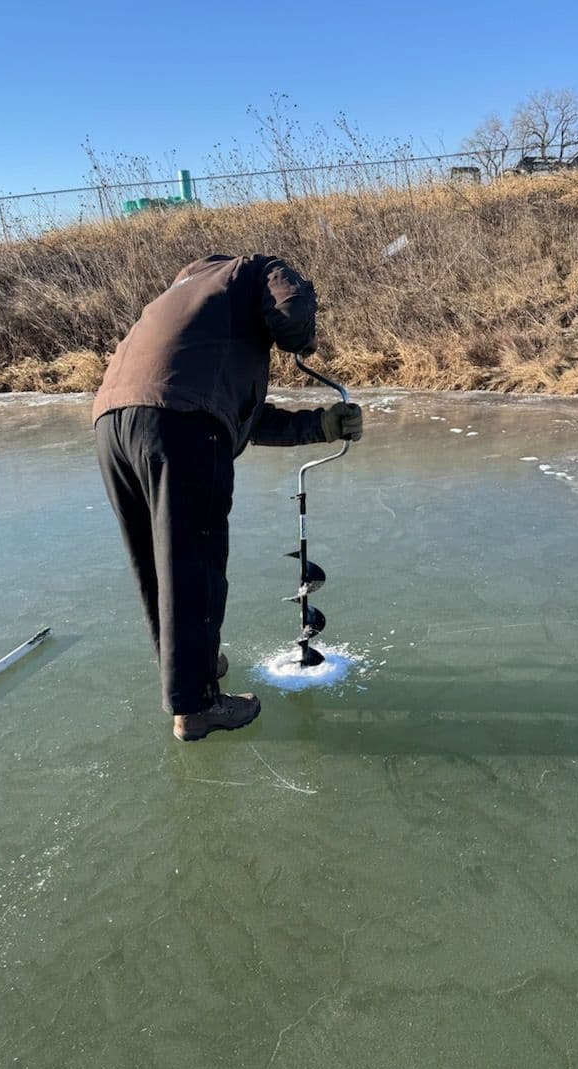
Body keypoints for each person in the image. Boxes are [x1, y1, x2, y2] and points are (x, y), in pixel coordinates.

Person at [92, 253, 363, 742]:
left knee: (158, 563)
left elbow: (242, 417)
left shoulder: (192, 309)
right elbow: (293, 306)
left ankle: (194, 668)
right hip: (180, 424)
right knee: (194, 562)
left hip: (112, 422)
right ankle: (196, 708)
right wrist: (303, 338)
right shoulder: (256, 269)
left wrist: (319, 424)